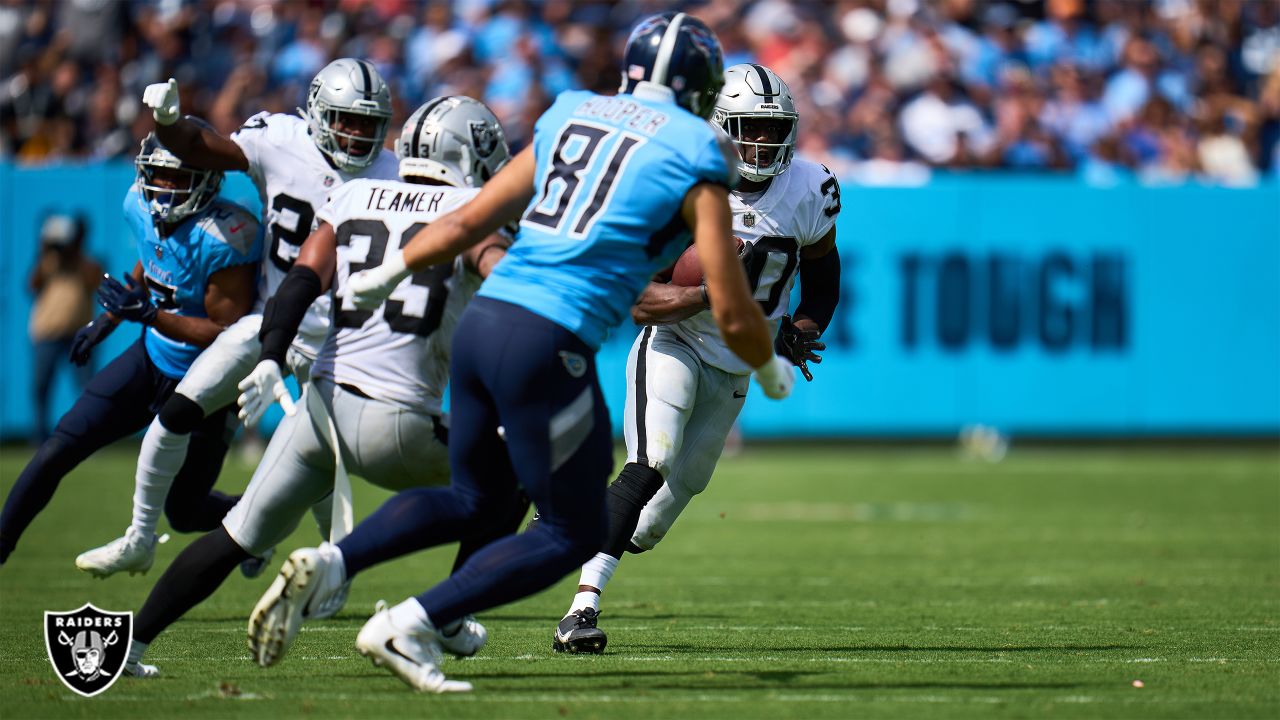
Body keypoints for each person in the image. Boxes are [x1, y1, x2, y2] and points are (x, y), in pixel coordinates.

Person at [249, 12, 794, 694]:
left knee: (476, 497)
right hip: (550, 341)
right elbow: (731, 297)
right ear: (704, 83)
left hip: (485, 327)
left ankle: (336, 562)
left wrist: (387, 274)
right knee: (575, 528)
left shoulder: (571, 112)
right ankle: (413, 621)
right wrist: (768, 367)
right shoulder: (695, 149)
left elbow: (465, 219)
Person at [118, 96, 522, 681]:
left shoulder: (355, 195)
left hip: (320, 409)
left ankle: (130, 643)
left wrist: (271, 357)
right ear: (467, 152)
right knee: (514, 477)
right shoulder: (475, 210)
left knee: (236, 536)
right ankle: (445, 616)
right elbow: (504, 279)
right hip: (399, 420)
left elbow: (302, 280)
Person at [553, 63, 843, 654]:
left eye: (772, 128)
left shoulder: (811, 189)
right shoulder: (679, 183)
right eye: (749, 128)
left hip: (736, 365)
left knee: (654, 522)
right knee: (649, 460)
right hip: (677, 342)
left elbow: (823, 277)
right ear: (719, 127)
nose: (762, 141)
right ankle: (580, 610)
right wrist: (706, 295)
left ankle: (571, 521)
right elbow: (640, 301)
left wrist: (801, 328)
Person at [75, 58, 400, 579]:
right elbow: (201, 149)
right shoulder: (279, 139)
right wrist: (167, 122)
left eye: (368, 122)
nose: (358, 133)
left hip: (339, 338)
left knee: (319, 461)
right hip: (269, 319)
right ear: (318, 112)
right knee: (176, 413)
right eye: (347, 119)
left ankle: (335, 568)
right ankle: (139, 536)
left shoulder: (394, 171)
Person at [0, 134, 260, 568]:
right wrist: (108, 320)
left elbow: (224, 331)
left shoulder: (226, 235)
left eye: (175, 176)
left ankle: (253, 524)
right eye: (156, 173)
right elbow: (153, 256)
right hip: (151, 358)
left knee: (185, 511)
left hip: (208, 383)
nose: (161, 185)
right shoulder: (139, 206)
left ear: (206, 179)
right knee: (58, 447)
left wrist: (149, 315)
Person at [28, 213, 100, 444]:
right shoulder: (49, 261)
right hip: (47, 333)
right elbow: (32, 284)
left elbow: (95, 279)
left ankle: (88, 438)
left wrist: (76, 248)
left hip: (79, 334)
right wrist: (44, 250)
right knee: (41, 387)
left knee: (88, 389)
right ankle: (40, 438)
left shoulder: (86, 263)